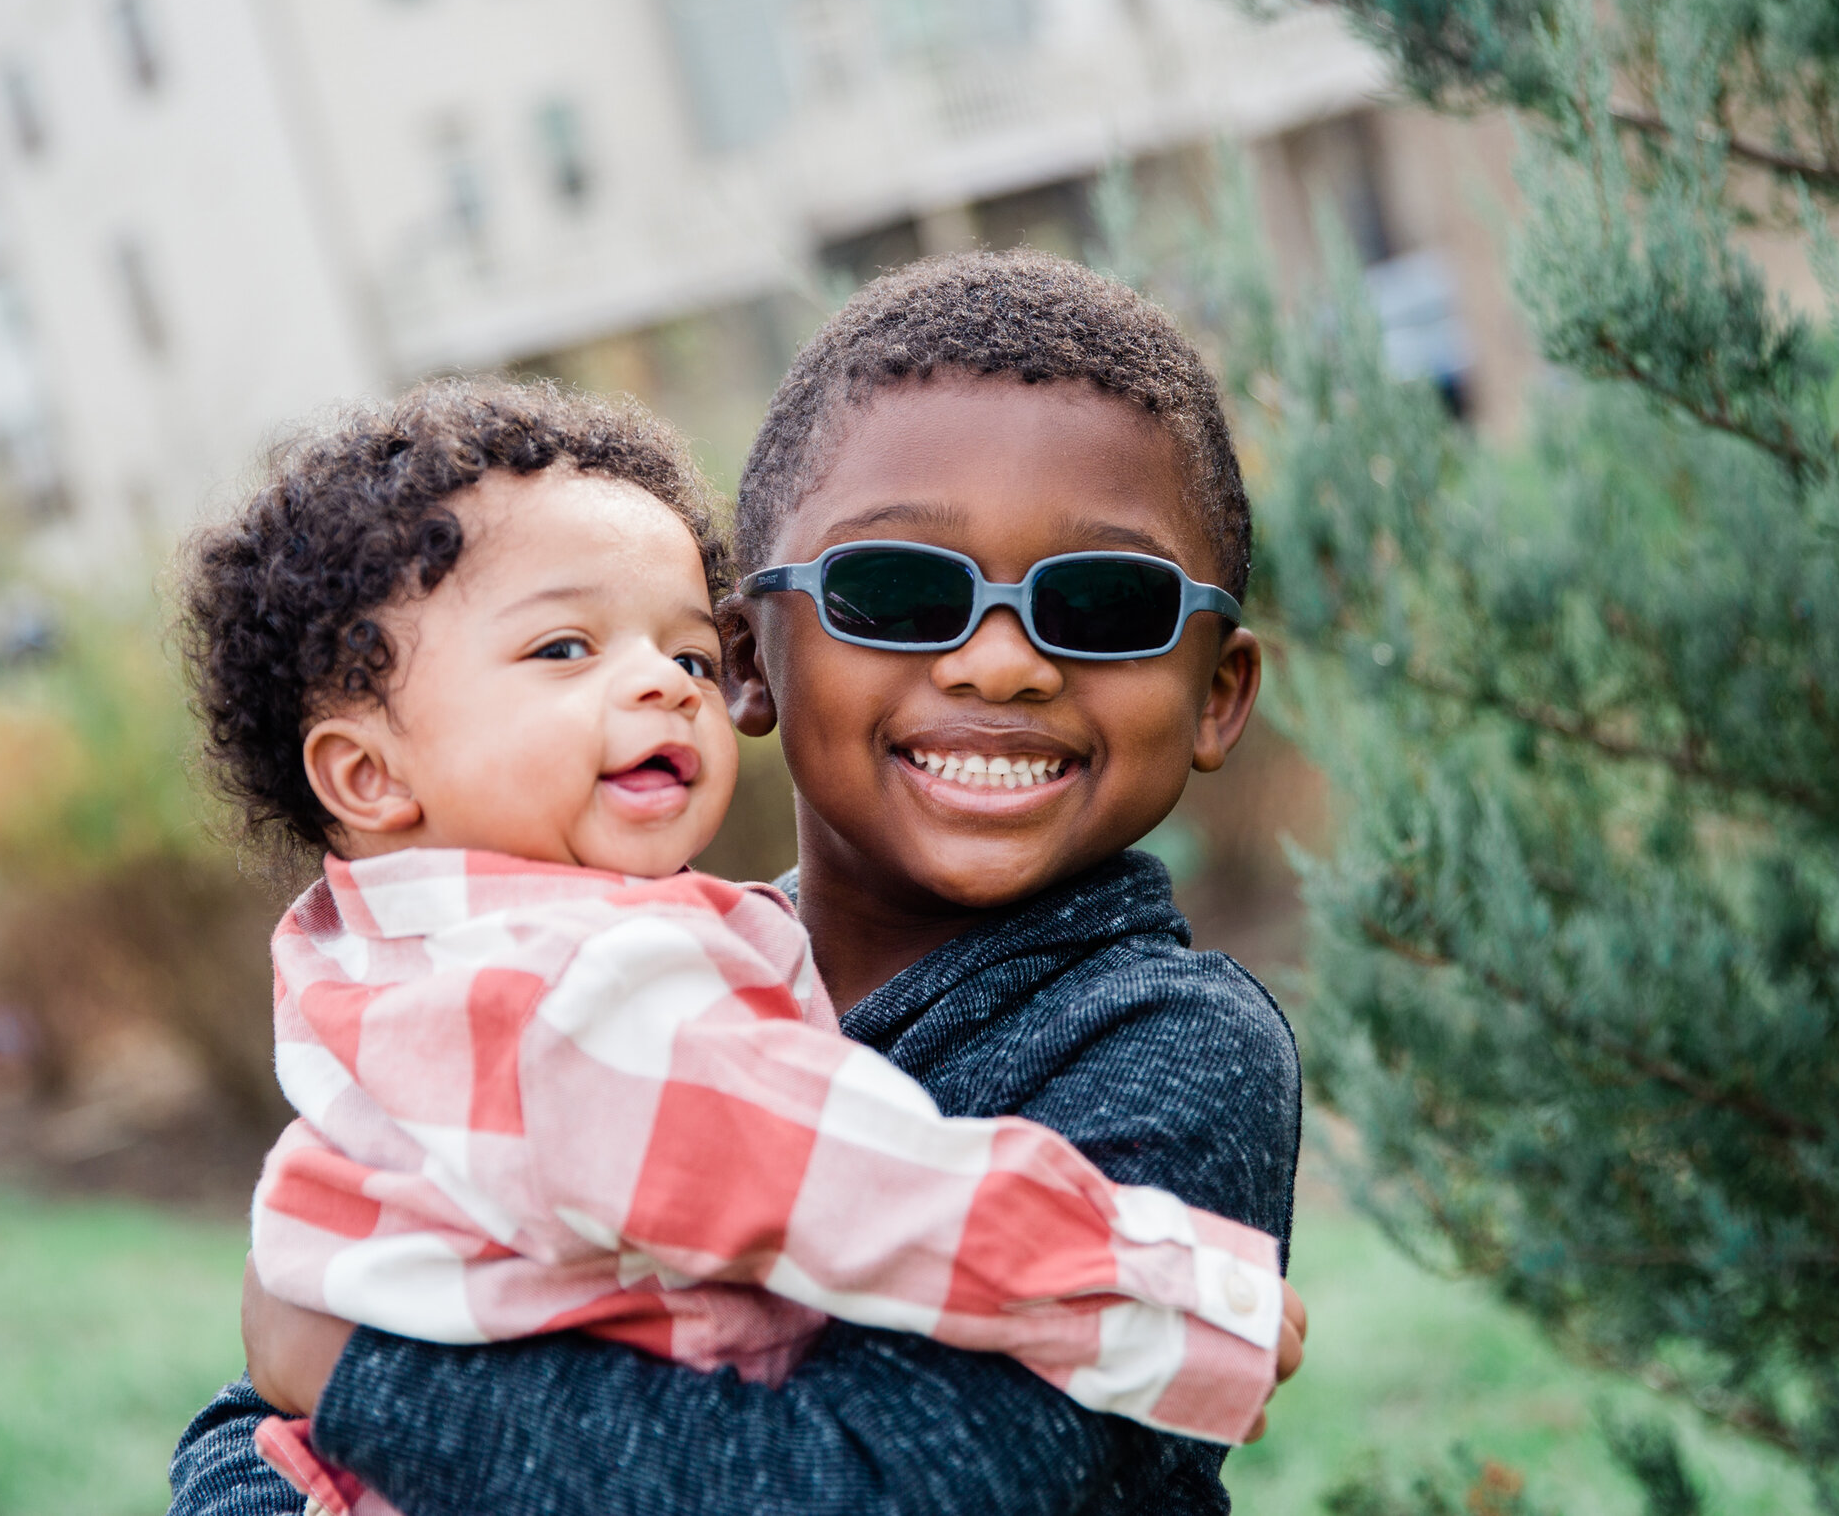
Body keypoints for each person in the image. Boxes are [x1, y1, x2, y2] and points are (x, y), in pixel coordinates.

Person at [170, 250, 1305, 1515]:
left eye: (1103, 602)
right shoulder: (578, 984)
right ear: (752, 659)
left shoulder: (1169, 1041)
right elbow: (257, 1423)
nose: (1000, 663)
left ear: (1217, 693)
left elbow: (884, 1490)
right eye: (897, 590)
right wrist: (315, 1382)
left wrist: (357, 1379)